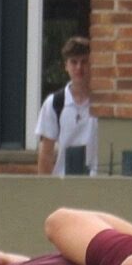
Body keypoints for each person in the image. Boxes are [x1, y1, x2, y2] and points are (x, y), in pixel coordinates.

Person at [35, 36, 95, 176]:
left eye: (84, 62)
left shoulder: (103, 104)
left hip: (97, 186)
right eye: (74, 62)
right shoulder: (54, 104)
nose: (79, 67)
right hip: (64, 187)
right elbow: (46, 154)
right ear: (66, 66)